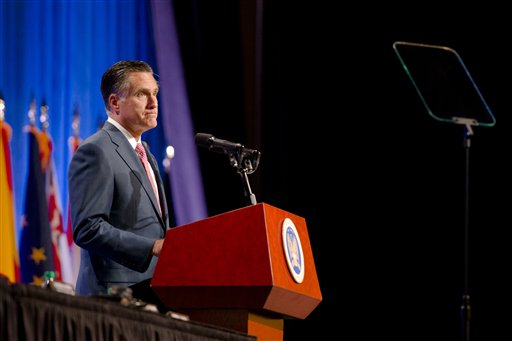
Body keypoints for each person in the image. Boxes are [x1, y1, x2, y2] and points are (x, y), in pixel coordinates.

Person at [68, 60, 169, 296]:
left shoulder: (147, 155)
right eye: (142, 95)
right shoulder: (96, 150)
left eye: (154, 93)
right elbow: (88, 228)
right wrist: (151, 246)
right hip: (113, 296)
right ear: (115, 103)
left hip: (153, 291)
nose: (154, 103)